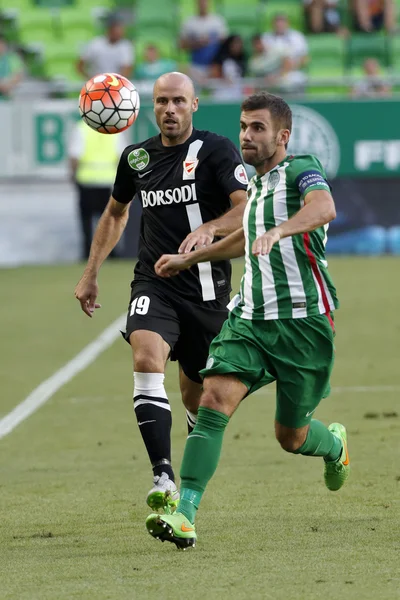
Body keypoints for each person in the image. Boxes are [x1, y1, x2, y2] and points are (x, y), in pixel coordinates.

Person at [145, 92, 350, 549]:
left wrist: (281, 230)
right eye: (243, 126)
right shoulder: (255, 187)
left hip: (304, 324)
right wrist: (186, 260)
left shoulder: (302, 169)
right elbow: (244, 237)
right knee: (213, 401)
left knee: (291, 436)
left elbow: (324, 208)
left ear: (282, 135)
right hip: (250, 320)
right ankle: (185, 514)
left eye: (258, 128)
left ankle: (334, 447)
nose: (247, 136)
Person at [74, 72, 248, 512]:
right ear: (150, 107)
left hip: (208, 293)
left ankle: (191, 461)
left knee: (197, 395)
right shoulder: (136, 158)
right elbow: (116, 213)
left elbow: (244, 208)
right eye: (161, 102)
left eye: (178, 101)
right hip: (154, 283)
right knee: (146, 358)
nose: (169, 109)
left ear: (194, 105)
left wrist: (210, 228)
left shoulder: (215, 150)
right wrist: (91, 272)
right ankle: (163, 476)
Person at [68, 120, 128, 259]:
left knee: (87, 220)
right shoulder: (114, 129)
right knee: (110, 220)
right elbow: (122, 156)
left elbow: (75, 156)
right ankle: (111, 253)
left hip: (86, 180)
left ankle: (87, 253)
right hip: (108, 182)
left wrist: (73, 174)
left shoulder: (82, 128)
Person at [77, 13, 134, 80]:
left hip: (116, 85)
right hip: (96, 84)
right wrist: (90, 79)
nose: (121, 31)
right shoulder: (95, 43)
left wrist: (117, 82)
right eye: (118, 28)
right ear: (110, 29)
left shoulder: (126, 46)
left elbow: (127, 68)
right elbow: (80, 65)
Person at [180, 0, 228, 79]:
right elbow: (181, 44)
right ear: (196, 4)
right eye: (200, 2)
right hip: (196, 65)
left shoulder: (217, 21)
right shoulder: (189, 22)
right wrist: (197, 43)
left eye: (205, 2)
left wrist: (211, 40)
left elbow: (225, 42)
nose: (203, 4)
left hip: (214, 66)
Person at [262, 14, 308, 92]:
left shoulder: (297, 37)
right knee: (263, 81)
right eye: (277, 22)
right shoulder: (266, 38)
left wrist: (284, 71)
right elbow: (263, 59)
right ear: (272, 24)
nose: (280, 25)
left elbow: (304, 59)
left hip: (293, 72)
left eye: (282, 22)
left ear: (287, 23)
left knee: (296, 80)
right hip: (271, 72)